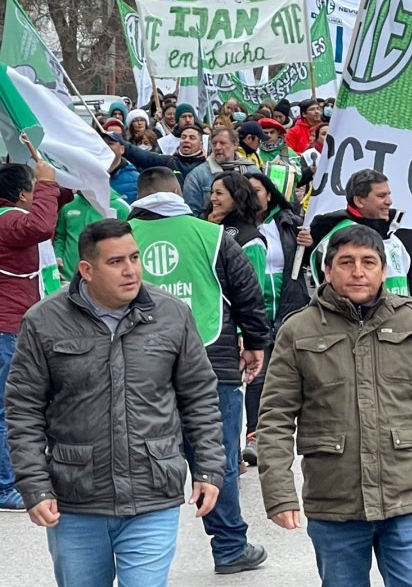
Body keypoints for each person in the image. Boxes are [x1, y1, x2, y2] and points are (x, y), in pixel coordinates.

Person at [5, 219, 225, 586]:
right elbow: (24, 409)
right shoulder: (44, 321)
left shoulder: (172, 315)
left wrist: (208, 468)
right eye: (116, 262)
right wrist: (34, 485)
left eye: (135, 258)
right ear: (87, 270)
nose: (130, 270)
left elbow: (199, 396)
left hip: (152, 494)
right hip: (75, 501)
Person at [256, 223, 412, 586]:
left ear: (383, 270)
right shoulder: (298, 330)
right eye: (346, 262)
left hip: (409, 497)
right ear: (326, 269)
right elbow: (275, 418)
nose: (358, 272)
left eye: (368, 262)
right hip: (334, 501)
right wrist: (279, 493)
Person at [128, 167, 271, 575]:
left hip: (139, 368)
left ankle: (141, 552)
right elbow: (248, 293)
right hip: (213, 360)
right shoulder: (213, 236)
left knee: (139, 457)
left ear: (139, 197)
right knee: (217, 456)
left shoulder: (119, 236)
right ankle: (229, 547)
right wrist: (256, 343)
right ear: (177, 192)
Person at [0, 161, 61, 511]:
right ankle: (7, 484)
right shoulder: (8, 220)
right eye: (34, 187)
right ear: (24, 193)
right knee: (9, 410)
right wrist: (49, 184)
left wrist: (57, 178)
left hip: (13, 326)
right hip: (7, 329)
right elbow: (41, 225)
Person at [239, 174, 311, 468]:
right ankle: (254, 435)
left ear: (269, 195)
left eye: (258, 190)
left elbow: (312, 262)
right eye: (247, 191)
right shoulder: (237, 228)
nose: (253, 196)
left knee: (296, 373)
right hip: (254, 308)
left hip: (288, 303)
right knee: (259, 373)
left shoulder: (289, 221)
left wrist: (310, 243)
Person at [308, 169, 411, 296]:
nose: (389, 201)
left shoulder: (392, 237)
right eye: (381, 196)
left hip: (394, 315)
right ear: (359, 201)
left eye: (388, 195)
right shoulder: (339, 237)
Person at [54, 189, 131, 281]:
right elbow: (60, 236)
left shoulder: (121, 208)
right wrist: (57, 255)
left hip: (103, 281)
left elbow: (128, 245)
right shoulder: (68, 203)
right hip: (67, 278)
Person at [182, 128, 259, 216]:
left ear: (235, 145)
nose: (217, 147)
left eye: (222, 143)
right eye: (214, 143)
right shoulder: (197, 175)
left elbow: (261, 206)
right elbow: (191, 214)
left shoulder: (252, 171)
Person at [116, 123, 207, 189]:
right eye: (183, 137)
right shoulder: (168, 161)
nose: (186, 140)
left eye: (192, 138)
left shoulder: (207, 167)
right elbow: (142, 156)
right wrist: (117, 140)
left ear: (201, 144)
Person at [100, 131, 140, 204]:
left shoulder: (136, 180)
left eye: (110, 143)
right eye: (102, 143)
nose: (106, 147)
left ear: (122, 149)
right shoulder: (87, 176)